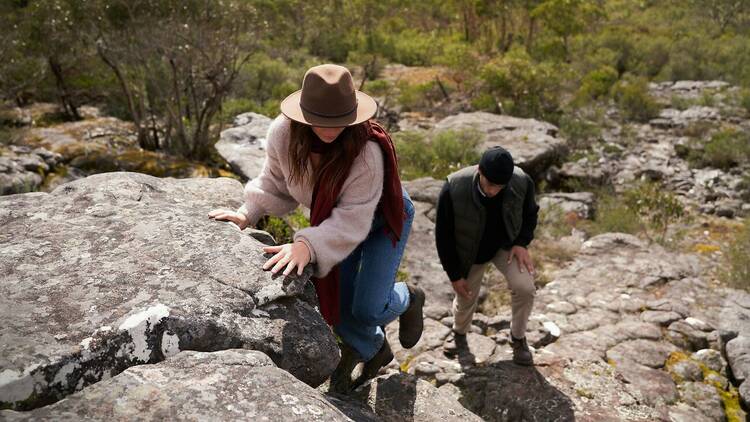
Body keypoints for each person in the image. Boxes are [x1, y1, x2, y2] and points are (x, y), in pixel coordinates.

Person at [208, 64, 425, 390]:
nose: (330, 128)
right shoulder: (284, 133)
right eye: (321, 120)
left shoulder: (365, 152)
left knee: (366, 309)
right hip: (332, 225)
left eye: (339, 120)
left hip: (379, 218)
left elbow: (353, 218)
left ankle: (409, 297)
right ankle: (374, 350)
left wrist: (307, 244)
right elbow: (273, 180)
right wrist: (247, 213)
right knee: (337, 303)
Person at [435, 146, 539, 366]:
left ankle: (518, 338)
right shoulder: (454, 187)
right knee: (465, 297)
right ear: (479, 171)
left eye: (500, 186)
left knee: (526, 288)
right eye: (490, 184)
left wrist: (521, 243)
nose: (493, 191)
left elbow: (531, 212)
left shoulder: (521, 181)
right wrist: (455, 275)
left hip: (506, 246)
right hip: (468, 252)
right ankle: (459, 334)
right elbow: (443, 235)